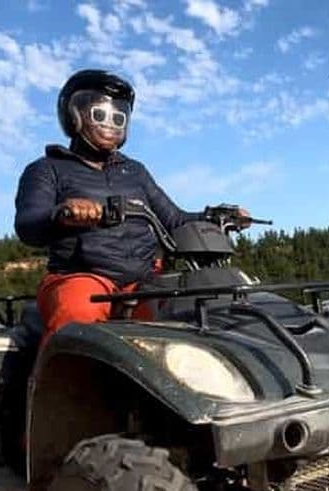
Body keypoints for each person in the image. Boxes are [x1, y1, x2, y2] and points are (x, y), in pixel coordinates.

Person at [14, 68, 249, 345]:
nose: (110, 123)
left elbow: (173, 220)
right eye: (100, 115)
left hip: (144, 282)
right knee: (78, 315)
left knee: (195, 314)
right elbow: (28, 224)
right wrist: (63, 213)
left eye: (118, 116)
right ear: (74, 116)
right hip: (80, 277)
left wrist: (215, 216)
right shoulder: (47, 169)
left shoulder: (135, 171)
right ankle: (57, 386)